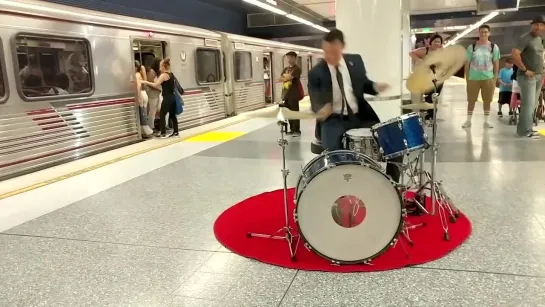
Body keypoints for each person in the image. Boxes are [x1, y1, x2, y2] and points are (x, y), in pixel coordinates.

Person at [308, 29, 402, 182]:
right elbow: (315, 100)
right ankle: (345, 187)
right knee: (336, 157)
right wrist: (321, 109)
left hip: (361, 116)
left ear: (342, 47)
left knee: (394, 143)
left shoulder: (355, 61)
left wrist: (375, 87)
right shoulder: (316, 73)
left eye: (333, 52)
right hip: (333, 120)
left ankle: (392, 184)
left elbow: (364, 84)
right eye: (325, 52)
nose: (328, 57)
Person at [511, 16, 545, 139]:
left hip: (538, 76)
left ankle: (528, 128)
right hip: (527, 77)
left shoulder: (540, 39)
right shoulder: (525, 38)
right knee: (528, 104)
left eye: (541, 25)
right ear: (532, 25)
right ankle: (523, 131)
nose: (539, 27)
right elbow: (515, 54)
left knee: (533, 104)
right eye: (536, 24)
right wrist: (525, 70)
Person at [462, 24, 501, 129]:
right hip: (473, 78)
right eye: (481, 32)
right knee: (471, 100)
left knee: (487, 100)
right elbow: (467, 63)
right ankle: (468, 121)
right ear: (478, 33)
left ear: (489, 33)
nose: (483, 33)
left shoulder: (494, 47)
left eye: (485, 32)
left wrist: (495, 77)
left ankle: (486, 121)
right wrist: (467, 77)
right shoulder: (472, 47)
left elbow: (496, 63)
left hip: (488, 78)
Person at [409, 34, 444, 123]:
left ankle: (431, 117)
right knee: (427, 97)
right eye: (435, 41)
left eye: (439, 42)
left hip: (437, 78)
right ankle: (426, 116)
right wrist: (419, 60)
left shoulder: (442, 52)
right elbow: (411, 53)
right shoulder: (425, 50)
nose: (437, 43)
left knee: (434, 97)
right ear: (431, 42)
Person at [142, 57, 179, 139]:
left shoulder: (163, 75)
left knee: (162, 114)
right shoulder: (171, 74)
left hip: (167, 98)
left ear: (163, 67)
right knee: (173, 115)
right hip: (172, 97)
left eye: (160, 66)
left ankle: (163, 133)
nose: (159, 68)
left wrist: (146, 82)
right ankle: (176, 132)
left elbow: (156, 85)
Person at [280, 51, 302, 137]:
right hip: (286, 94)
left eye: (291, 57)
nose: (289, 59)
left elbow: (289, 77)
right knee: (288, 113)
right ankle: (292, 129)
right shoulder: (285, 69)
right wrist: (286, 77)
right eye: (288, 57)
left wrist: (286, 77)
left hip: (294, 94)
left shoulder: (297, 69)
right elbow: (282, 78)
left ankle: (297, 130)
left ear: (295, 58)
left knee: (295, 112)